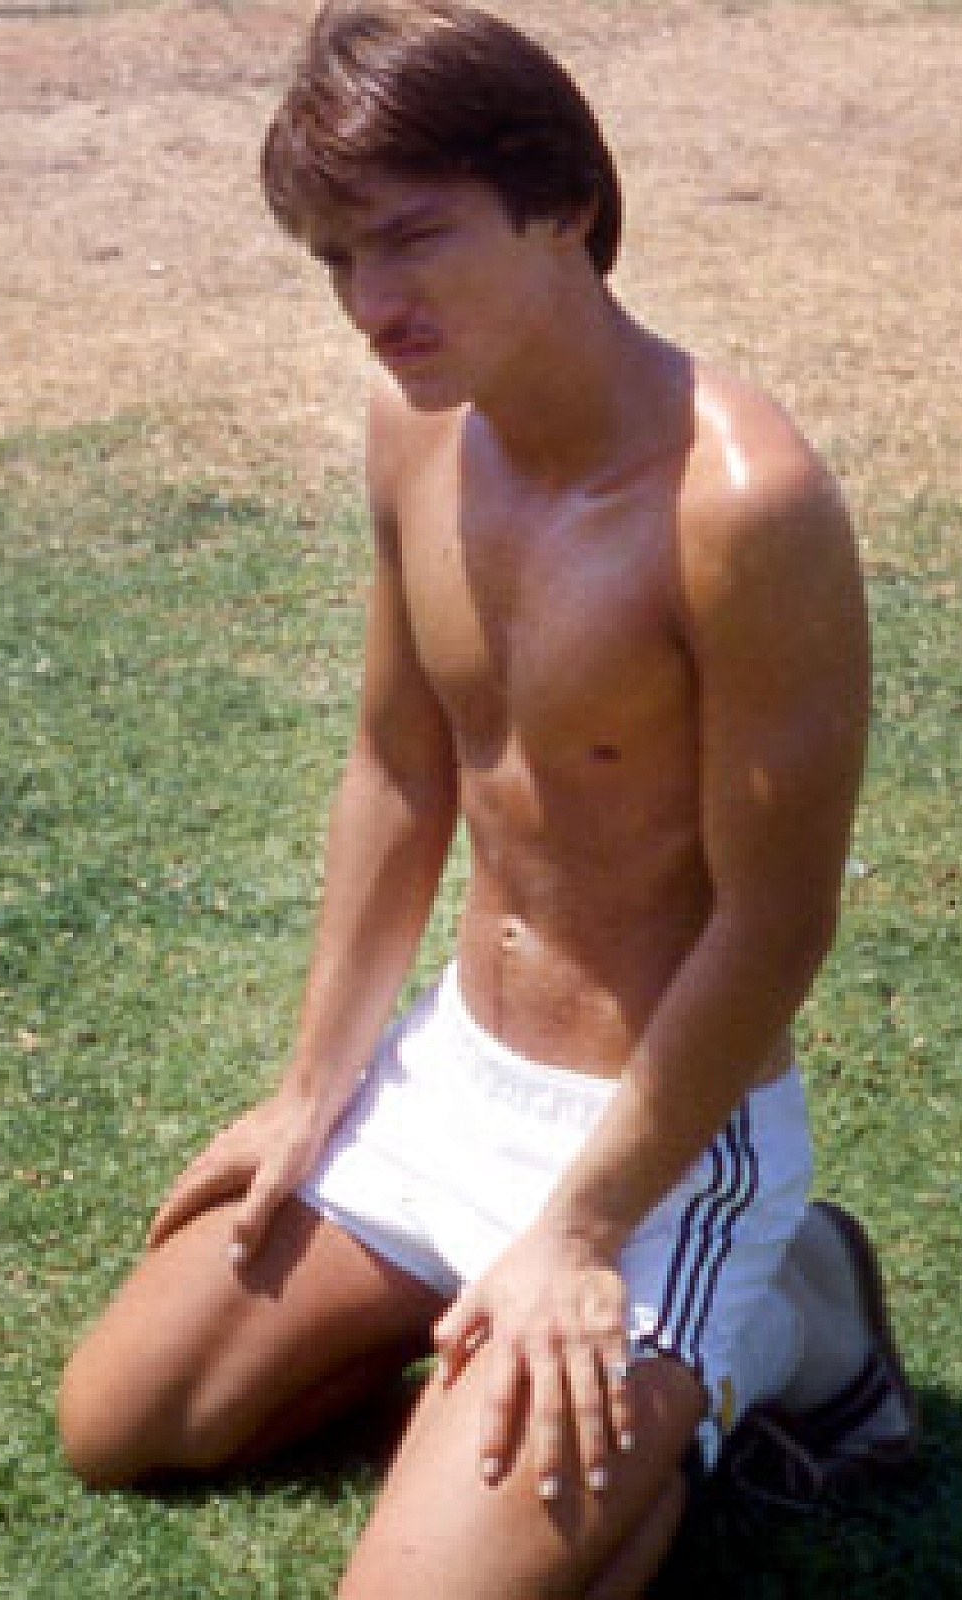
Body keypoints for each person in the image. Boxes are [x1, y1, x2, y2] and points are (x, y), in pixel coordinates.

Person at [57, 4, 918, 1594]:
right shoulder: (418, 427)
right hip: (452, 1081)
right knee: (124, 1419)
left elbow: (776, 921)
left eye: (411, 241)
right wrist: (315, 1087)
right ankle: (492, 1346)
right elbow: (399, 766)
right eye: (335, 260)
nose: (369, 307)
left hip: (661, 1144)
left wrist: (581, 1230)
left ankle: (785, 1319)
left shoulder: (741, 502)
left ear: (565, 204)